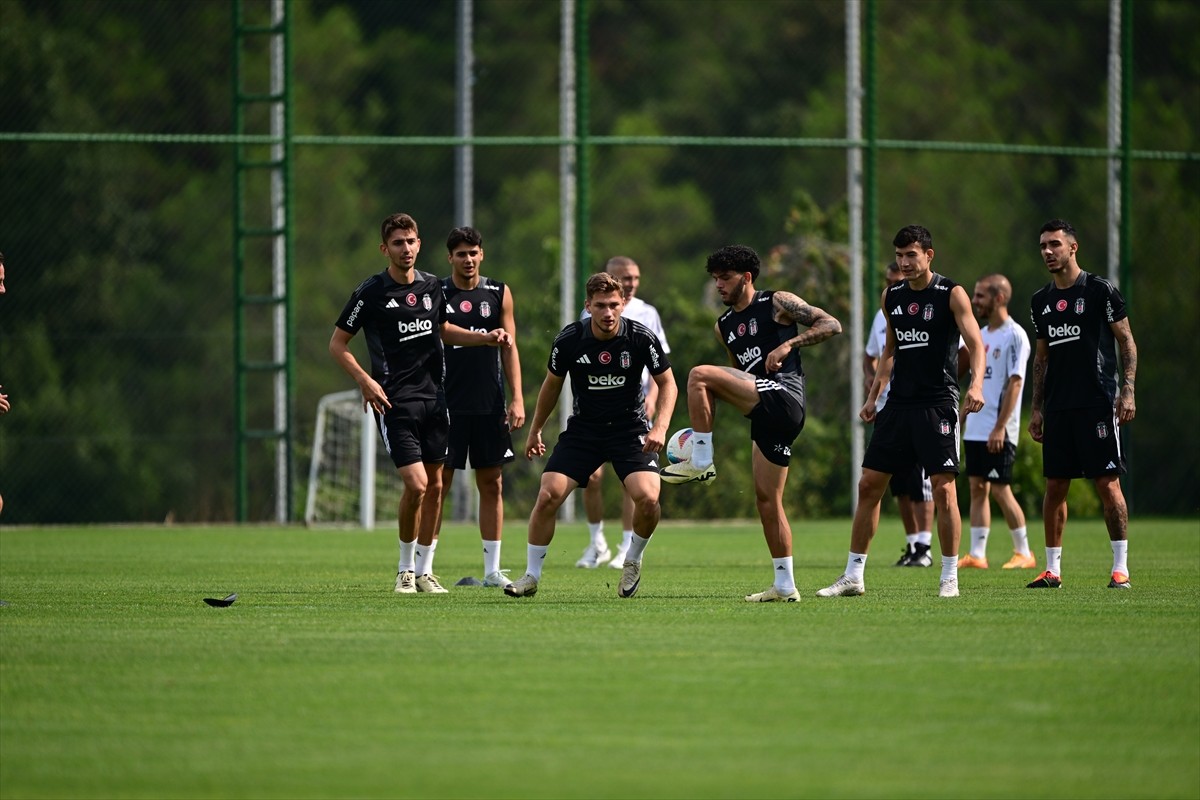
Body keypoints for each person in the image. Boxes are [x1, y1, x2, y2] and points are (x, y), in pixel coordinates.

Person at [329, 213, 511, 595]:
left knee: (434, 490)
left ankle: (425, 571)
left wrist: (486, 338)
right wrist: (365, 381)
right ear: (385, 249)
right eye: (398, 243)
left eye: (411, 241)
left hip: (435, 400)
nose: (406, 249)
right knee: (417, 485)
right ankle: (404, 569)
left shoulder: (431, 286)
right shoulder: (371, 292)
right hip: (395, 403)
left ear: (420, 244)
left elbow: (444, 328)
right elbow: (338, 344)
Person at [660, 245, 842, 603]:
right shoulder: (724, 326)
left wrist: (789, 345)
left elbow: (831, 324)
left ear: (746, 277)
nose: (718, 286)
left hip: (785, 398)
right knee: (766, 501)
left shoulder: (776, 302)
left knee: (698, 374)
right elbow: (736, 376)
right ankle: (785, 585)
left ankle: (701, 461)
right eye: (714, 279)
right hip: (764, 410)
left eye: (725, 278)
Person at [818, 225, 985, 599]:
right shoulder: (891, 296)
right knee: (868, 486)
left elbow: (975, 341)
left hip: (938, 403)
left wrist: (975, 385)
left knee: (943, 491)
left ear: (929, 255)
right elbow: (890, 350)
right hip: (898, 406)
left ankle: (949, 577)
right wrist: (873, 396)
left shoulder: (951, 293)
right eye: (899, 256)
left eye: (911, 255)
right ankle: (853, 576)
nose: (904, 262)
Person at [504, 272, 676, 599]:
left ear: (623, 304)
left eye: (614, 305)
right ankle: (530, 576)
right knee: (548, 494)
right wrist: (536, 429)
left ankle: (633, 560)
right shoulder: (570, 339)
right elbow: (551, 386)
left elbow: (668, 383)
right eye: (601, 306)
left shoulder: (641, 337)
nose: (608, 312)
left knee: (649, 498)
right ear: (588, 306)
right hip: (585, 430)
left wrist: (660, 427)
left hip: (630, 430)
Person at [1027, 219, 1137, 590]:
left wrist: (1128, 390)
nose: (1047, 251)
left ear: (1073, 248)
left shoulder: (1101, 291)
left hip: (1097, 403)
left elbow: (1126, 342)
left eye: (1054, 244)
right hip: (1059, 407)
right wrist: (1037, 408)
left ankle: (1120, 567)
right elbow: (1041, 359)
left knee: (1107, 484)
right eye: (1043, 245)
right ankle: (1052, 569)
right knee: (1055, 486)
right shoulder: (1041, 301)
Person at [430, 226, 525, 588]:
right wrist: (483, 338)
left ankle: (492, 571)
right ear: (449, 257)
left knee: (493, 483)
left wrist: (516, 397)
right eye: (460, 254)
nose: (468, 259)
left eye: (473, 252)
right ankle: (424, 567)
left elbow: (509, 346)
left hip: (489, 403)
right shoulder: (436, 292)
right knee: (439, 484)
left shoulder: (499, 292)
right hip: (446, 402)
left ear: (482, 254)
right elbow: (440, 332)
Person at [577, 256, 671, 569]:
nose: (630, 283)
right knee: (590, 476)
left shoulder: (647, 314)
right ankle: (596, 542)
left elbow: (662, 369)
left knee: (630, 480)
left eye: (635, 277)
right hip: (595, 406)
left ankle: (626, 546)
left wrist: (653, 400)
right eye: (625, 277)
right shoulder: (589, 313)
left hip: (634, 408)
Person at [957, 273, 1036, 570]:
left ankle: (1024, 552)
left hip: (998, 427)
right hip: (977, 426)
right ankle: (977, 555)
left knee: (1000, 487)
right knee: (978, 487)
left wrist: (1001, 426)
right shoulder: (981, 335)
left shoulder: (1015, 335)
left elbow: (1016, 383)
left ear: (999, 298)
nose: (974, 301)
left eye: (980, 296)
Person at [864, 261, 936, 568]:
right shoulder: (885, 313)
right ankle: (911, 545)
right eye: (890, 279)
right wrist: (874, 388)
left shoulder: (933, 304)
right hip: (889, 406)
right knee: (898, 483)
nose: (893, 283)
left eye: (897, 278)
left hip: (922, 405)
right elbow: (874, 355)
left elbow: (960, 350)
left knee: (924, 482)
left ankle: (926, 545)